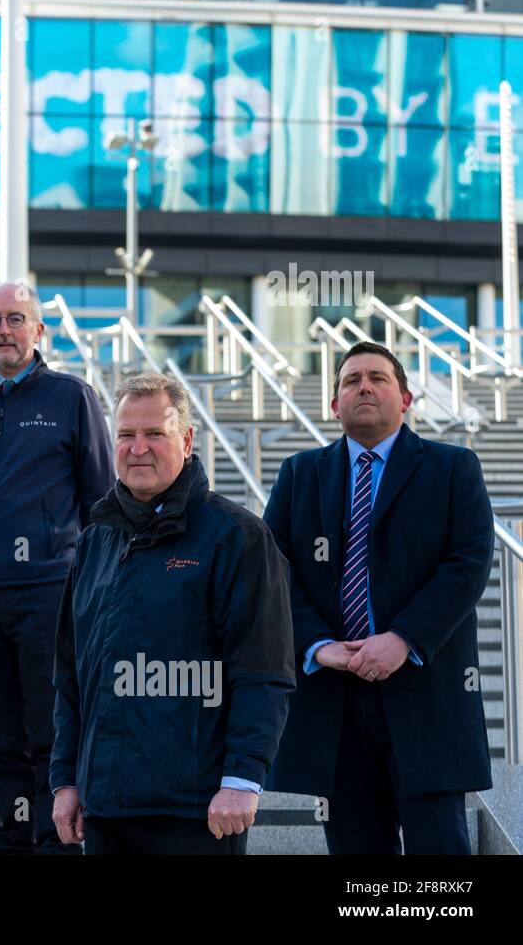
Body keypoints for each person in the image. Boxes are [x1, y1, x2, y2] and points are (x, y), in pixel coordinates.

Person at [263, 342, 495, 854]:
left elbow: (470, 562)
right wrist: (317, 644)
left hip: (426, 692)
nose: (363, 386)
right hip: (334, 702)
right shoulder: (299, 475)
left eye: (377, 378)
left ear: (406, 398)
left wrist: (404, 638)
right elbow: (272, 571)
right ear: (334, 405)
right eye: (350, 381)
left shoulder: (453, 468)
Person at [51, 373, 295, 854]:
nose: (138, 448)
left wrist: (244, 777)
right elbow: (70, 673)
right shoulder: (95, 540)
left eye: (154, 434)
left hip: (197, 810)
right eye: (126, 435)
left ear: (185, 439)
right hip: (107, 808)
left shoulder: (236, 537)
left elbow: (263, 671)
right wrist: (65, 778)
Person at [0, 281, 114, 854]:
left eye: (16, 319)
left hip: (48, 591)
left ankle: (54, 841)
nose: (4, 330)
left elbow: (100, 501)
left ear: (39, 330)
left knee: (50, 731)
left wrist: (90, 588)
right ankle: (13, 839)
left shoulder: (71, 397)